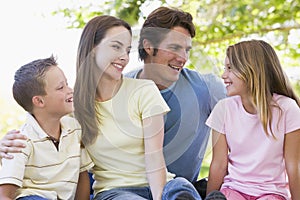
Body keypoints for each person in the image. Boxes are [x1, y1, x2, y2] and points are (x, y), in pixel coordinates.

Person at [0, 7, 226, 199]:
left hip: (162, 182)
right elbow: (43, 128)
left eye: (127, 50)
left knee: (180, 190)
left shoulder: (144, 90)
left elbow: (154, 158)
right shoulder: (73, 105)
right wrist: (7, 145)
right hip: (114, 190)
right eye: (116, 47)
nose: (124, 57)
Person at [125, 6, 226, 198]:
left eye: (186, 50)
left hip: (182, 192)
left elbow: (253, 118)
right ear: (148, 46)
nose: (183, 58)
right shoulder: (121, 89)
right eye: (174, 48)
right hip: (130, 190)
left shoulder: (207, 89)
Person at [205, 40, 300, 200]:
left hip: (272, 193)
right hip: (234, 189)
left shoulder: (287, 109)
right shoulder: (223, 109)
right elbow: (218, 164)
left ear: (252, 71)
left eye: (230, 68)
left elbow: (294, 166)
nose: (223, 75)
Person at [0, 56, 94, 200]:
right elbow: (4, 195)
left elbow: (82, 175)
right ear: (39, 101)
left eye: (67, 84)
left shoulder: (74, 129)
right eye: (60, 87)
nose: (70, 90)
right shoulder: (20, 141)